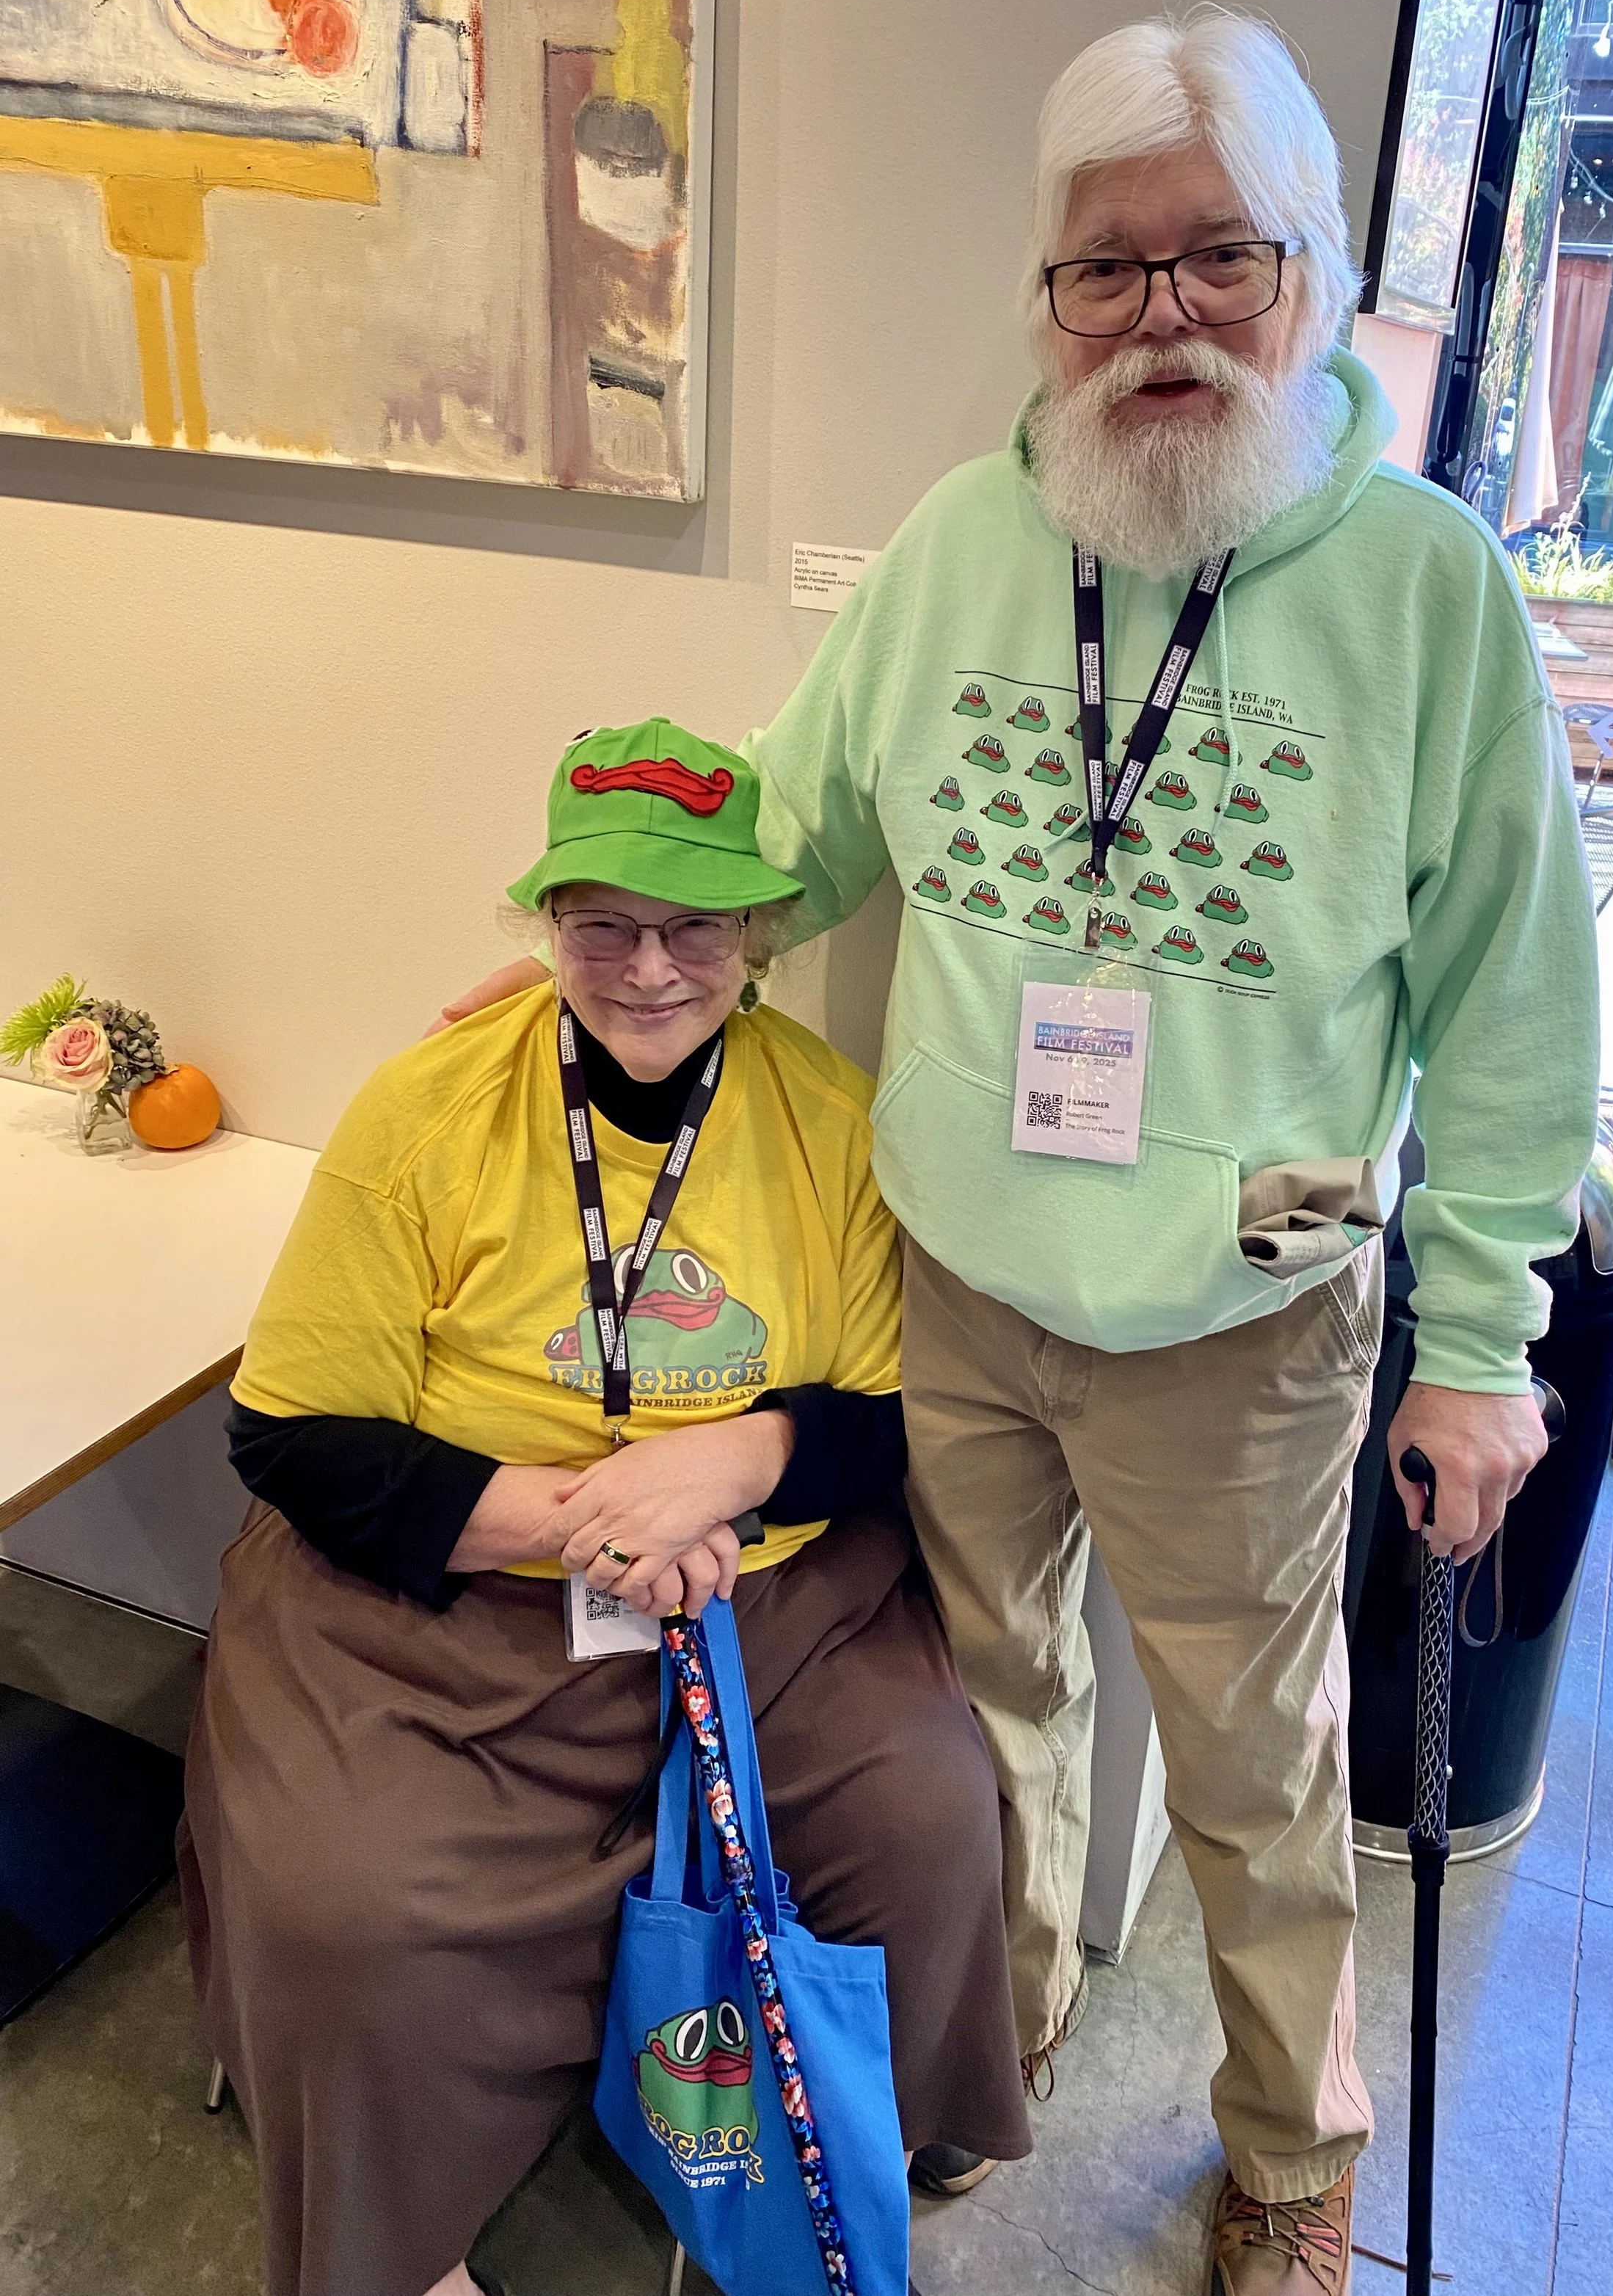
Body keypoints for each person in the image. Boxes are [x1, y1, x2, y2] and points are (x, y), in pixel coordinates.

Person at [439, 12, 1601, 2296]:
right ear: (1045, 297)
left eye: (1214, 263)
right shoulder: (975, 541)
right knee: (993, 1721)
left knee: (1259, 1779)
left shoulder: (1426, 589)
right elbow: (793, 821)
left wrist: (1475, 1342)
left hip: (1239, 1325)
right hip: (956, 1282)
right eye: (1104, 271)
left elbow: (1510, 1007)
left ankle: (1289, 2149)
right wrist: (619, 947)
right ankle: (1002, 2040)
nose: (1157, 317)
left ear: (1310, 274)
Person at [183, 718, 1030, 2296]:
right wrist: (583, 1518)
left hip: (763, 1597)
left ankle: (843, 2142)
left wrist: (738, 1464)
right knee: (341, 1898)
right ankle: (389, 2236)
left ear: (758, 935)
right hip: (456, 1594)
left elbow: (896, 1418)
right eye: (601, 927)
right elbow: (290, 1430)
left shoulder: (835, 1124)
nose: (647, 968)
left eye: (694, 926)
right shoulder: (421, 1111)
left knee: (923, 1820)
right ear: (545, 925)